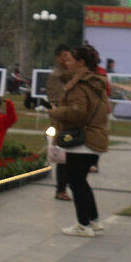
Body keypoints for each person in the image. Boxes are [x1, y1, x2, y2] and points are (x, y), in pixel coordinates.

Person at [47, 42, 109, 237]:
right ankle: (93, 220)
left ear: (80, 62)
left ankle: (83, 225)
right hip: (94, 137)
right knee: (81, 181)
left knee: (75, 182)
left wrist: (56, 111)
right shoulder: (96, 82)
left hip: (82, 140)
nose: (67, 62)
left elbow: (78, 112)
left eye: (70, 59)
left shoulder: (78, 85)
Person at [49, 45, 76, 200]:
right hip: (62, 120)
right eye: (65, 56)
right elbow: (53, 101)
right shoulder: (55, 75)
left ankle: (66, 187)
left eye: (70, 57)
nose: (67, 59)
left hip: (73, 118)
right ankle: (61, 189)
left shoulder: (72, 74)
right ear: (58, 58)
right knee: (62, 156)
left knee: (71, 155)